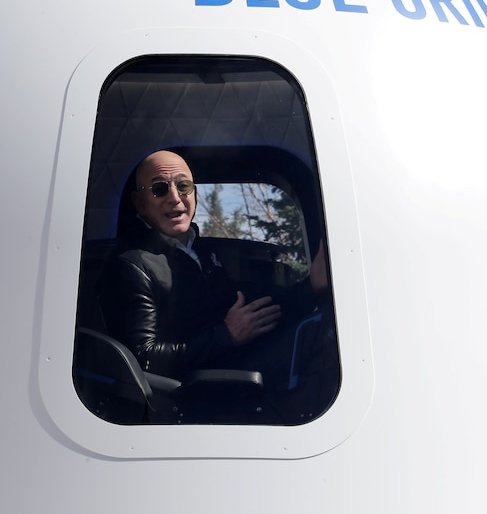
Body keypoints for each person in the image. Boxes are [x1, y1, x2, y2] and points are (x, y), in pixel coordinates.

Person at [96, 150, 332, 417]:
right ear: (140, 204)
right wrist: (226, 335)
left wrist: (310, 287)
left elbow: (251, 314)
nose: (175, 198)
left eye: (183, 186)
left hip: (234, 364)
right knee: (320, 337)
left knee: (323, 326)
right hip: (200, 390)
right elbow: (141, 358)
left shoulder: (203, 251)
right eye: (160, 189)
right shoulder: (131, 264)